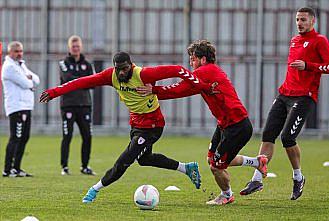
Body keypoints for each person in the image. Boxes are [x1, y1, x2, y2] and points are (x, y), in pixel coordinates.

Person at [40, 51, 211, 203]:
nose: (122, 72)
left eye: (125, 68)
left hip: (153, 125)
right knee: (144, 159)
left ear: (131, 65)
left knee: (124, 161)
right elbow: (82, 82)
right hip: (136, 124)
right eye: (118, 69)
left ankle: (95, 189)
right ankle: (186, 168)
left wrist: (202, 86)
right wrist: (55, 92)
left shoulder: (144, 74)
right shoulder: (111, 76)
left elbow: (177, 70)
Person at [136, 40, 268, 205]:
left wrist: (154, 90)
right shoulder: (205, 74)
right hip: (225, 124)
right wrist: (157, 91)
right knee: (212, 159)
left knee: (216, 167)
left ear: (203, 59)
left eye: (193, 58)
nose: (190, 63)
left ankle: (226, 195)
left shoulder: (206, 71)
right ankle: (257, 162)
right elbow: (186, 89)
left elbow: (180, 89)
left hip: (237, 127)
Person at [239, 7, 329, 200]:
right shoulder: (294, 40)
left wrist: (308, 66)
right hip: (284, 94)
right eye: (298, 19)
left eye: (303, 20)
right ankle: (257, 179)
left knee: (287, 138)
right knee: (267, 135)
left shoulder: (320, 40)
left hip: (304, 97)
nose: (299, 23)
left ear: (312, 22)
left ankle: (298, 177)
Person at [1, 41, 40, 177]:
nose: (19, 54)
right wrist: (29, 80)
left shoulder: (21, 65)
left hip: (26, 106)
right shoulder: (9, 67)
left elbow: (37, 79)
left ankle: (16, 168)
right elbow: (26, 83)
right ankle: (7, 169)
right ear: (10, 52)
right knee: (15, 138)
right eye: (16, 51)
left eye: (21, 51)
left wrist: (29, 79)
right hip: (16, 107)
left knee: (24, 137)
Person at [59, 35, 95, 176]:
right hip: (68, 105)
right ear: (69, 48)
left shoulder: (88, 64)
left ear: (81, 47)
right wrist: (83, 80)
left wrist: (78, 81)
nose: (76, 48)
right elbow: (67, 79)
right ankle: (64, 166)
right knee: (67, 136)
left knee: (87, 136)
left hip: (85, 105)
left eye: (78, 46)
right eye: (73, 46)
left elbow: (93, 82)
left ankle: (85, 166)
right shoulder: (63, 63)